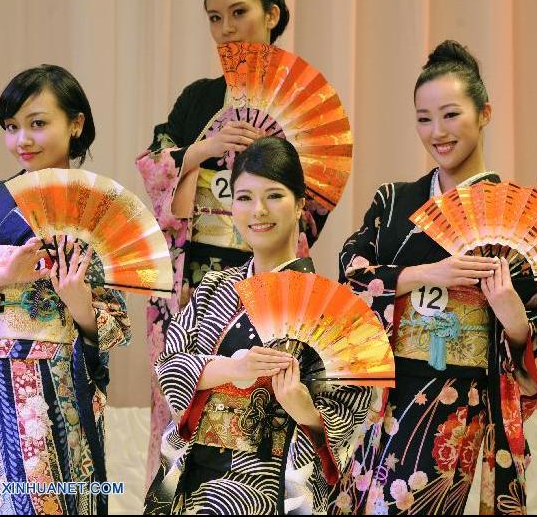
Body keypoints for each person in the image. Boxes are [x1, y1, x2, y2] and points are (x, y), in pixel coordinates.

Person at [329, 40, 537, 515]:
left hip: (457, 400)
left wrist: (514, 320)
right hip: (382, 393)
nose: (437, 132)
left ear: (485, 112)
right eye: (424, 118)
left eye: (451, 115)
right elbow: (350, 274)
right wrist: (427, 273)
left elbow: (532, 323)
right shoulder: (393, 201)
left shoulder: (516, 214)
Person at [135, 0, 329, 483]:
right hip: (198, 280)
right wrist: (202, 150)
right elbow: (158, 180)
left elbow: (311, 207)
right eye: (214, 17)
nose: (225, 29)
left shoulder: (301, 106)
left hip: (267, 278)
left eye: (238, 12)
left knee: (271, 400)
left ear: (271, 14)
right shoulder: (199, 99)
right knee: (187, 404)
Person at [0, 65, 131, 514]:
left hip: (54, 383)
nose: (23, 139)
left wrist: (80, 305)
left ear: (75, 124)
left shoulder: (99, 210)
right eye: (12, 127)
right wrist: (1, 275)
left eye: (38, 123)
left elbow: (115, 321)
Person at [145, 136, 372, 514]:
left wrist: (305, 409)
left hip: (270, 487)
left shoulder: (333, 311)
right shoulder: (215, 288)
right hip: (198, 475)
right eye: (245, 197)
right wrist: (233, 368)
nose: (258, 211)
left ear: (300, 204)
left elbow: (351, 417)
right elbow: (169, 366)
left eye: (274, 196)